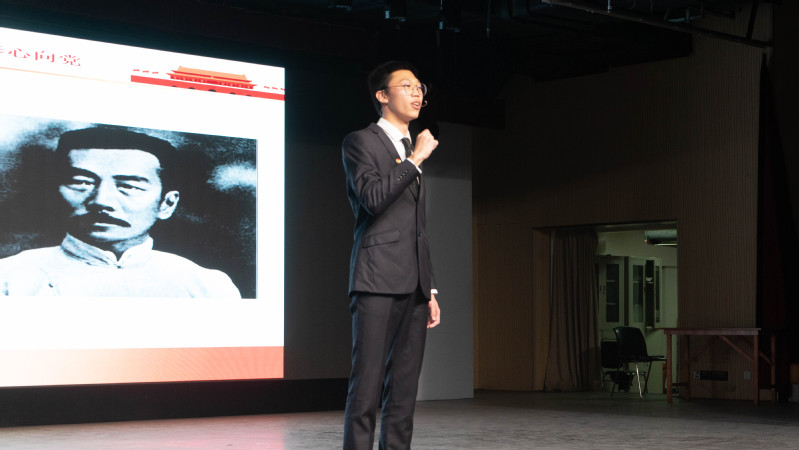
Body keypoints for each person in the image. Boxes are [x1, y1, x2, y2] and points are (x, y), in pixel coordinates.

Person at [0, 126, 241, 298]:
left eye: (129, 186)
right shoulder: (10, 278)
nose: (101, 201)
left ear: (167, 204)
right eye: (82, 182)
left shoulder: (206, 286)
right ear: (55, 192)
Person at [341, 61, 441, 450]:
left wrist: (430, 287)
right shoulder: (360, 142)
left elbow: (417, 228)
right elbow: (373, 198)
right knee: (366, 388)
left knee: (403, 393)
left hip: (415, 285)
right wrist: (415, 161)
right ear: (382, 95)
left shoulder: (412, 147)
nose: (417, 93)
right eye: (406, 86)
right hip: (377, 279)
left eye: (419, 87)